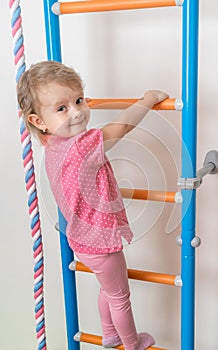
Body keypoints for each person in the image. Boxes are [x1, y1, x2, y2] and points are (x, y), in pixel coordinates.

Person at [17, 60, 168, 350]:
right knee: (120, 297)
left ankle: (110, 335)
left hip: (81, 240)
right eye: (61, 108)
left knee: (108, 290)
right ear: (38, 121)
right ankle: (131, 343)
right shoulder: (82, 145)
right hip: (100, 241)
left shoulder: (53, 146)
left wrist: (62, 110)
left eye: (78, 100)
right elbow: (121, 127)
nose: (76, 112)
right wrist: (147, 100)